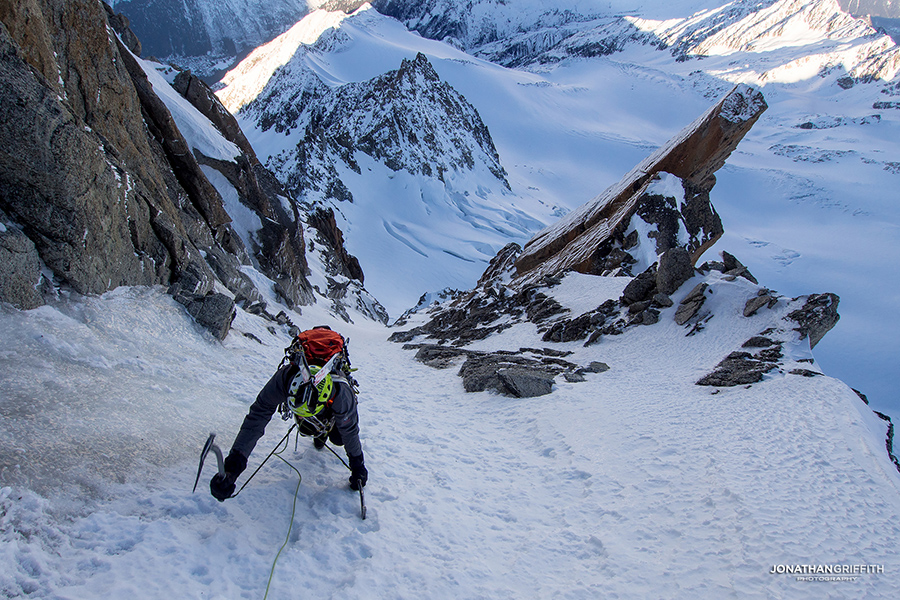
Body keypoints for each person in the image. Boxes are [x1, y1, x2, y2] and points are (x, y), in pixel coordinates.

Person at [209, 335, 367, 501]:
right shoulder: (284, 379)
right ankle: (318, 432)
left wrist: (358, 465)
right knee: (307, 428)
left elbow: (349, 431)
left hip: (330, 407)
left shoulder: (341, 393)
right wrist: (233, 467)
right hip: (312, 408)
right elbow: (257, 417)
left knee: (339, 438)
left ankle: (324, 432)